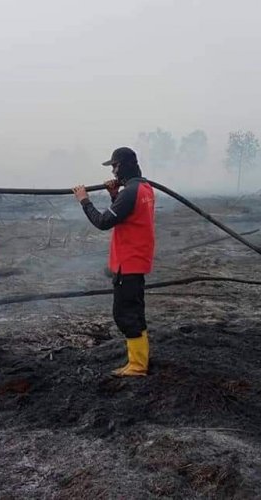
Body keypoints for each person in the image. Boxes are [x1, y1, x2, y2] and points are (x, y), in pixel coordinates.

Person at [72, 147, 155, 377]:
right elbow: (128, 214)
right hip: (136, 259)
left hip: (128, 262)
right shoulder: (144, 188)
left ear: (124, 165)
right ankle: (138, 361)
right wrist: (113, 195)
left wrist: (84, 201)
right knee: (134, 313)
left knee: (126, 315)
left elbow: (103, 221)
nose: (113, 171)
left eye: (115, 166)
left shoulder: (132, 191)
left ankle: (138, 366)